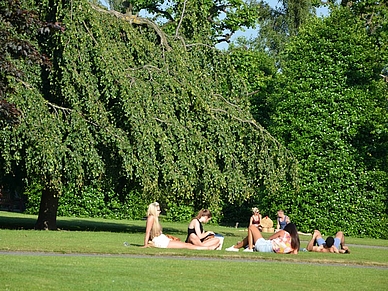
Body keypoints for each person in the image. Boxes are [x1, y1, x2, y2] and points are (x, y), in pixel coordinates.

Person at [142, 202, 217, 250]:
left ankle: (207, 248)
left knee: (186, 245)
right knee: (187, 246)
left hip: (162, 239)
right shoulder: (151, 217)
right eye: (158, 210)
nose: (160, 211)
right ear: (154, 210)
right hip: (160, 241)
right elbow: (147, 232)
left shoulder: (155, 219)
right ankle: (208, 248)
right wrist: (145, 244)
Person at [225, 223, 300, 254]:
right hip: (271, 250)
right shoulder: (295, 242)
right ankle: (238, 246)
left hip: (266, 246)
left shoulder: (283, 233)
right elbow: (294, 253)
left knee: (251, 227)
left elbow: (270, 238)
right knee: (250, 237)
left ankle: (248, 248)